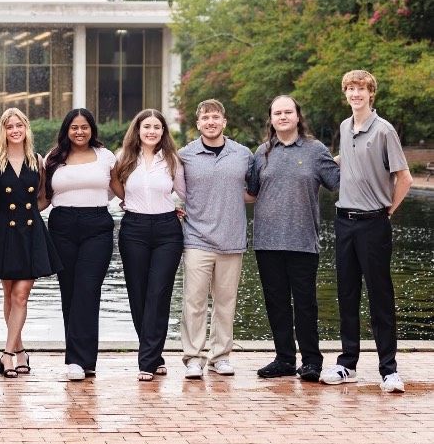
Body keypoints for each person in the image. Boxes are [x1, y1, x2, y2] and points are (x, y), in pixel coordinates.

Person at [322, 70, 413, 393]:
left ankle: (389, 370)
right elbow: (345, 159)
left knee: (380, 296)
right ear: (344, 93)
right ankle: (347, 364)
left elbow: (405, 177)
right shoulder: (346, 127)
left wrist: (389, 208)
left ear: (371, 93)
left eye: (361, 89)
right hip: (344, 222)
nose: (355, 94)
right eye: (350, 89)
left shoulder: (384, 130)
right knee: (347, 294)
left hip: (374, 222)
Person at [248, 95, 339, 383]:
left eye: (288, 112)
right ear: (271, 119)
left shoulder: (315, 150)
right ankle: (284, 359)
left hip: (303, 241)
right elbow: (250, 193)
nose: (283, 116)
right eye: (278, 113)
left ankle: (311, 361)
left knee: (305, 305)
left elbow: (338, 182)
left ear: (298, 116)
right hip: (267, 242)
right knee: (275, 303)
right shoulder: (262, 153)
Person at [177, 99, 254, 379]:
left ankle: (220, 356)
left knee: (226, 302)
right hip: (196, 238)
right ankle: (194, 357)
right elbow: (175, 190)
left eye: (216, 117)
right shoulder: (184, 155)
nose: (211, 121)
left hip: (232, 239)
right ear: (198, 124)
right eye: (205, 117)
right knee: (194, 301)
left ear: (224, 122)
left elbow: (253, 191)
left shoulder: (243, 154)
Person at [111, 109, 186, 381]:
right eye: (147, 127)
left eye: (157, 127)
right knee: (138, 294)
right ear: (138, 130)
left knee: (158, 293)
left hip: (167, 230)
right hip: (134, 229)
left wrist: (180, 209)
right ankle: (155, 353)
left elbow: (185, 193)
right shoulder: (123, 158)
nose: (152, 131)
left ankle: (147, 360)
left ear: (163, 131)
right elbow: (115, 186)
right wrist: (127, 202)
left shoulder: (171, 160)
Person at [45, 108, 118, 381]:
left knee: (88, 289)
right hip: (62, 225)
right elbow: (43, 195)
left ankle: (84, 359)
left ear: (92, 129)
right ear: (66, 130)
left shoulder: (105, 156)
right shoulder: (53, 158)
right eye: (74, 127)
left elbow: (118, 189)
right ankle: (76, 360)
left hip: (96, 225)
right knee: (70, 291)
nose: (79, 131)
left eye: (84, 127)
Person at [0, 108, 60, 378]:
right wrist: (5, 210)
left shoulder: (37, 160)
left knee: (21, 294)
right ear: (3, 131)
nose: (15, 130)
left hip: (30, 232)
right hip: (6, 232)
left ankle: (7, 354)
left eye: (19, 125)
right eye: (9, 126)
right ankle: (20, 351)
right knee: (8, 294)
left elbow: (43, 197)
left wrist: (27, 212)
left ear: (26, 128)